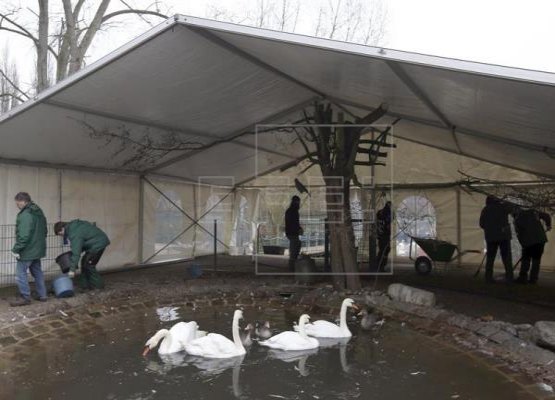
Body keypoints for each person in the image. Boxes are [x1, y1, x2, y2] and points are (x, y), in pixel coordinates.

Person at [10, 192, 48, 307]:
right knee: (37, 272)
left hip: (28, 250)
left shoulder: (26, 214)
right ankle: (43, 295)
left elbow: (24, 235)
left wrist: (16, 249)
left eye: (17, 203)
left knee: (20, 273)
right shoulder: (38, 211)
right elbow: (45, 230)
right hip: (38, 249)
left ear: (23, 201)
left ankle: (25, 297)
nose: (17, 205)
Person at [54, 220, 110, 290]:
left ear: (62, 228)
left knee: (89, 265)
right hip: (95, 242)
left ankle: (98, 287)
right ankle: (85, 286)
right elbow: (81, 243)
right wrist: (75, 251)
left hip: (98, 244)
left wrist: (72, 270)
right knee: (84, 262)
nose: (62, 236)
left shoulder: (73, 233)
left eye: (60, 234)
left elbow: (76, 253)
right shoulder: (73, 227)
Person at [479, 196, 513, 283]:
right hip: (504, 236)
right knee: (506, 257)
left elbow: (481, 224)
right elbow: (512, 208)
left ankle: (488, 277)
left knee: (490, 258)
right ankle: (509, 277)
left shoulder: (485, 209)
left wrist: (489, 228)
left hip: (491, 237)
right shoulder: (503, 207)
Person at [514, 208, 552, 284]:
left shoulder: (517, 220)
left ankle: (523, 277)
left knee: (526, 259)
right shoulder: (533, 212)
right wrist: (548, 225)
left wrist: (523, 245)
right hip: (540, 240)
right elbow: (547, 216)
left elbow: (519, 235)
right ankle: (533, 279)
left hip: (529, 241)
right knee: (536, 260)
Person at [285, 195, 303, 272]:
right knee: (294, 251)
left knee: (295, 248)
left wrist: (299, 228)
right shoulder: (293, 211)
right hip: (292, 233)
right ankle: (292, 268)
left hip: (291, 232)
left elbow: (294, 223)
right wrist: (298, 229)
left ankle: (292, 267)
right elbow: (293, 223)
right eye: (298, 202)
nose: (299, 203)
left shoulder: (291, 211)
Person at [376, 201, 393, 271]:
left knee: (383, 250)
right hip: (384, 235)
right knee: (385, 250)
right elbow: (389, 220)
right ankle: (381, 266)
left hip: (381, 235)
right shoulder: (387, 213)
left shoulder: (380, 212)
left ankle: (380, 265)